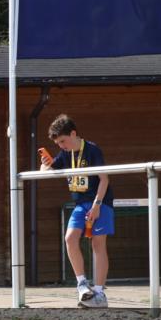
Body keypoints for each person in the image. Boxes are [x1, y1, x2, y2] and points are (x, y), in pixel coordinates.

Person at [40, 114, 114, 308]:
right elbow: (47, 169)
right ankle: (82, 285)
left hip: (100, 202)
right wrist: (45, 165)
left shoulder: (92, 150)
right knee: (70, 238)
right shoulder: (65, 154)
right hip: (80, 205)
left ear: (73, 134)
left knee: (98, 244)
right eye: (58, 143)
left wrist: (97, 206)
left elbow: (104, 179)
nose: (61, 146)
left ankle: (99, 293)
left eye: (63, 141)